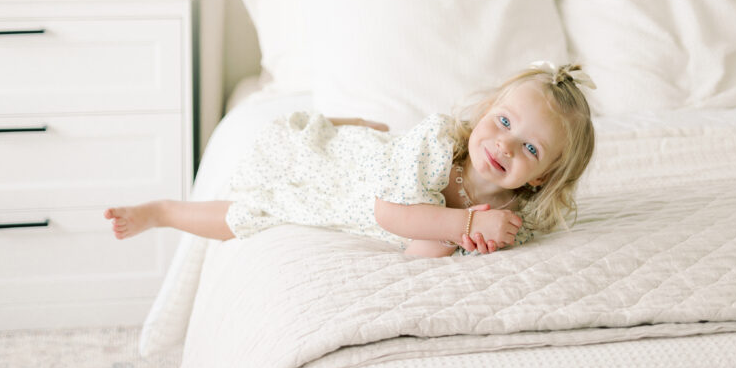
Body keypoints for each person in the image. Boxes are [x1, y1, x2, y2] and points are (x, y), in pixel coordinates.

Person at [105, 62, 595, 258]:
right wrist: (462, 222)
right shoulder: (437, 144)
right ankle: (165, 211)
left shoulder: (517, 217)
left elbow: (420, 254)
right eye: (503, 122)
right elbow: (391, 216)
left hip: (384, 180)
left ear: (544, 177)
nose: (504, 145)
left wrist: (470, 234)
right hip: (352, 173)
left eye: (530, 148)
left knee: (256, 214)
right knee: (267, 198)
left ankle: (356, 127)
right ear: (485, 112)